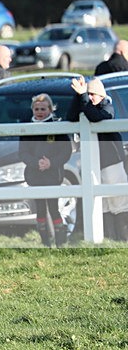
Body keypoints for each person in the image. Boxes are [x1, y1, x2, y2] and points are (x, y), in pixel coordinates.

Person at [67, 77, 128, 240]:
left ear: (101, 95)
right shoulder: (85, 104)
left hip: (112, 161)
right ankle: (107, 239)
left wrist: (84, 98)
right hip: (92, 163)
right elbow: (71, 117)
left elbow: (95, 117)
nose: (90, 97)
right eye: (88, 94)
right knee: (103, 205)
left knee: (119, 202)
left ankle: (123, 240)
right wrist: (78, 96)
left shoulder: (107, 107)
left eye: (93, 94)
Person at [18, 94, 72, 247]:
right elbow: (23, 152)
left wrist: (51, 163)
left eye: (43, 109)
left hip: (53, 175)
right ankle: (46, 243)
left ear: (50, 109)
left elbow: (65, 151)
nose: (40, 112)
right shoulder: (27, 127)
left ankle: (60, 242)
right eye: (36, 109)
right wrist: (36, 163)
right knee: (40, 209)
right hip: (35, 175)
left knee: (54, 208)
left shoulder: (57, 126)